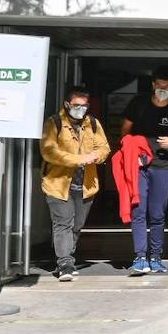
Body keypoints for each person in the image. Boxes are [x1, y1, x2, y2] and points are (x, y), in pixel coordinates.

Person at [121, 66, 168, 276]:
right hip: (138, 165)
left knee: (158, 213)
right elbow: (124, 131)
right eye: (159, 85)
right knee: (139, 210)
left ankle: (156, 257)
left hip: (163, 166)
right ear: (153, 85)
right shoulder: (139, 104)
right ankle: (140, 257)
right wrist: (133, 148)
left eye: (167, 86)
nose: (162, 89)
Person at [40, 86, 110, 282]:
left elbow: (104, 147)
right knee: (63, 224)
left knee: (77, 225)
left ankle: (67, 258)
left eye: (84, 105)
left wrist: (97, 156)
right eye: (77, 105)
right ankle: (65, 263)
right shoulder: (54, 123)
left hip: (86, 185)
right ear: (67, 104)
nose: (81, 109)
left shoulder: (93, 124)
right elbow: (49, 151)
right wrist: (78, 159)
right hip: (58, 184)